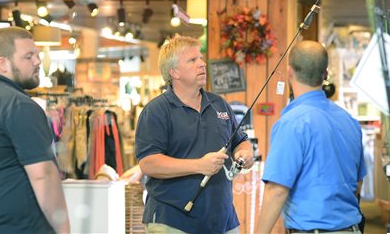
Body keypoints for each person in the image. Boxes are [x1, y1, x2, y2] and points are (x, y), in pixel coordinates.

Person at [135, 36, 254, 234]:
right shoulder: (156, 110)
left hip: (224, 220)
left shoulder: (219, 104)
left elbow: (241, 141)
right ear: (174, 72)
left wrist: (244, 153)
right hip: (172, 222)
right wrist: (199, 165)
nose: (201, 64)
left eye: (200, 58)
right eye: (192, 60)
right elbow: (149, 163)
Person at [0, 27, 70, 234]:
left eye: (37, 55)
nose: (37, 62)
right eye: (28, 57)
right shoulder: (19, 105)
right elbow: (43, 176)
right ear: (3, 63)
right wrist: (64, 230)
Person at [257, 40, 366, 234]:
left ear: (290, 72)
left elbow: (277, 190)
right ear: (325, 74)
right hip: (352, 229)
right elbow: (358, 184)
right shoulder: (349, 121)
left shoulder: (291, 124)